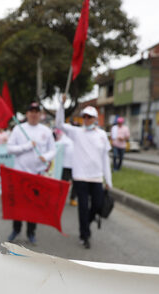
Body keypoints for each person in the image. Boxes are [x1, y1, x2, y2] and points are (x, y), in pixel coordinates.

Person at [56, 94, 112, 249]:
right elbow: (59, 123)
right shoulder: (77, 132)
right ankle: (84, 235)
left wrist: (109, 180)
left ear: (95, 118)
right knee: (82, 207)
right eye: (85, 116)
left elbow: (105, 158)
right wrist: (61, 105)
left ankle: (87, 222)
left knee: (97, 204)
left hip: (96, 178)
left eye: (90, 117)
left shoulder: (102, 135)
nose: (87, 119)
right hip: (80, 177)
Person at [6, 102, 56, 244]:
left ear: (40, 114)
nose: (34, 114)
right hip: (20, 174)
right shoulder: (18, 129)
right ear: (27, 114)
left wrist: (45, 157)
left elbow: (53, 149)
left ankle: (31, 232)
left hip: (37, 174)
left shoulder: (46, 131)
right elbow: (10, 148)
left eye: (36, 111)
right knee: (18, 205)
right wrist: (26, 146)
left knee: (33, 206)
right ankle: (16, 229)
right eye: (31, 111)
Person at [55, 128, 77, 207]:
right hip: (66, 165)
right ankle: (61, 197)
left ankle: (73, 198)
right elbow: (57, 146)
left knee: (76, 183)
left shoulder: (77, 138)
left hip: (76, 165)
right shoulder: (64, 138)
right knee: (64, 182)